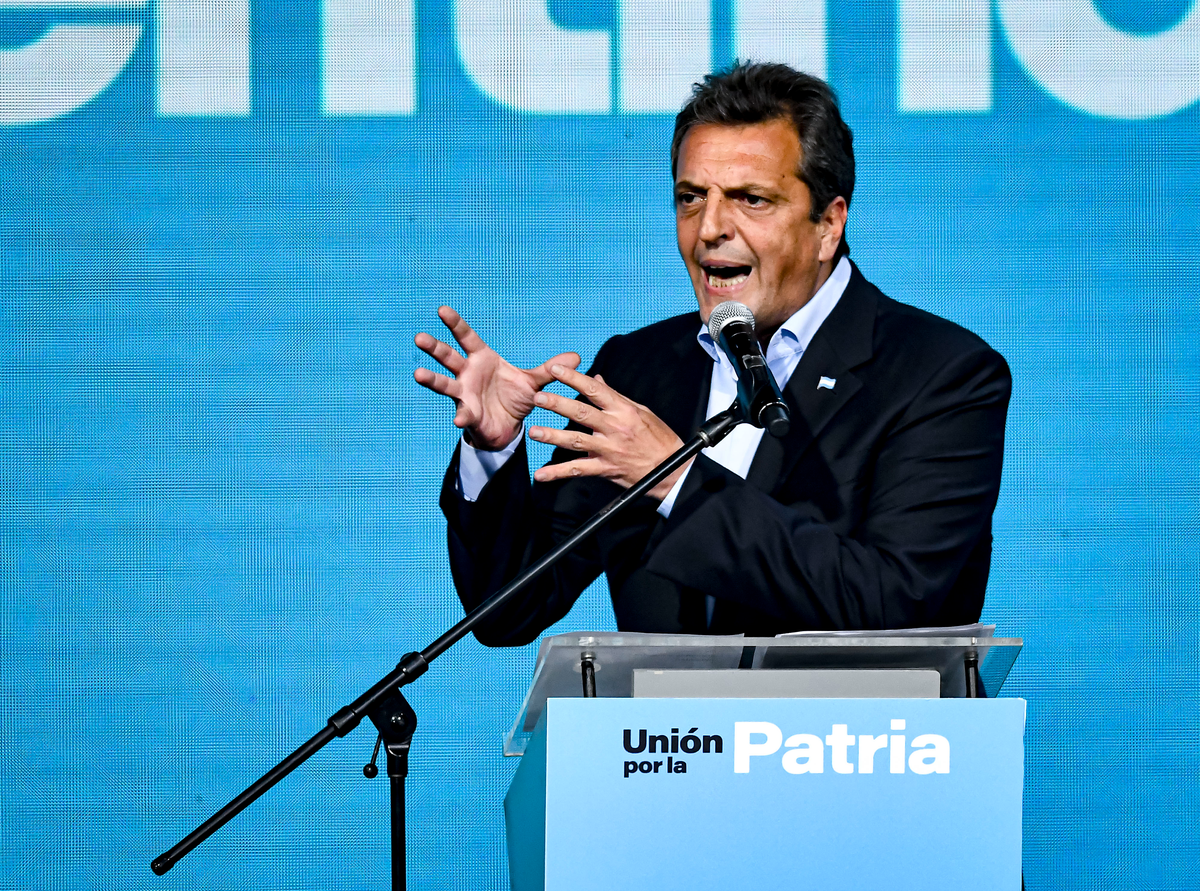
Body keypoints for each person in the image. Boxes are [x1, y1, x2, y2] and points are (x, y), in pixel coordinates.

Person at [413, 62, 1011, 646]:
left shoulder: (941, 373)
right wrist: (492, 453)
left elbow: (897, 603)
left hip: (864, 744)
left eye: (751, 199)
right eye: (691, 198)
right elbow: (506, 612)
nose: (710, 229)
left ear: (828, 225)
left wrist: (676, 479)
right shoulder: (637, 369)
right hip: (670, 747)